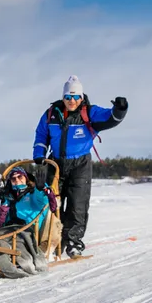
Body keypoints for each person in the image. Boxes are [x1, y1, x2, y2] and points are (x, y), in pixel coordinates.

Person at [32, 75, 128, 258]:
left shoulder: (89, 113)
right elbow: (41, 135)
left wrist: (120, 109)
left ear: (81, 97)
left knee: (78, 205)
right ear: (63, 97)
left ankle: (73, 242)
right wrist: (39, 156)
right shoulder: (51, 114)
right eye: (68, 97)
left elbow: (111, 118)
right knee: (52, 204)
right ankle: (51, 241)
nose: (72, 101)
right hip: (56, 164)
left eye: (76, 97)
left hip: (80, 165)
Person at [0, 166, 51, 275]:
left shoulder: (33, 194)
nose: (17, 180)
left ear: (26, 178)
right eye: (13, 178)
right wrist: (1, 205)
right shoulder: (7, 197)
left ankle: (20, 260)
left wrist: (40, 189)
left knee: (15, 241)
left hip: (26, 230)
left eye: (20, 177)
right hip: (6, 230)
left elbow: (43, 200)